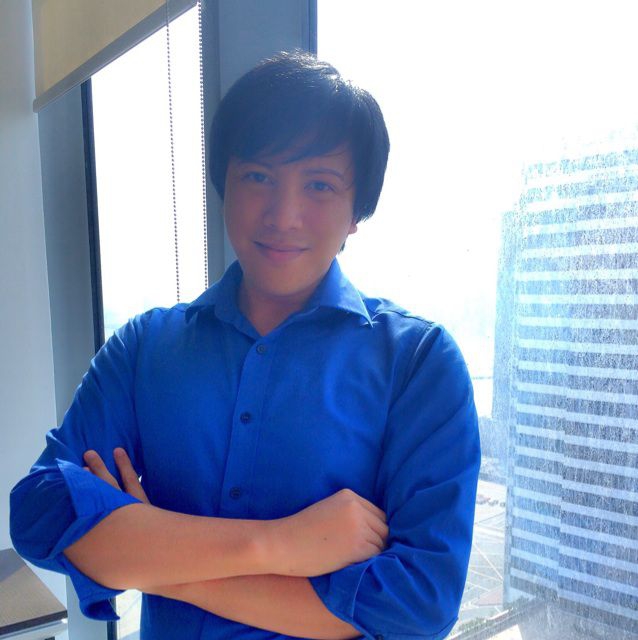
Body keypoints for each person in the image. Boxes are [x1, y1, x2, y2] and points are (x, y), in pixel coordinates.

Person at [10, 51, 480, 640]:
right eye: (258, 176)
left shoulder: (417, 364)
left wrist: (149, 553)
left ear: (357, 210)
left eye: (319, 185)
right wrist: (280, 544)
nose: (284, 215)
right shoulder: (144, 347)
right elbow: (39, 511)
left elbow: (418, 603)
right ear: (224, 185)